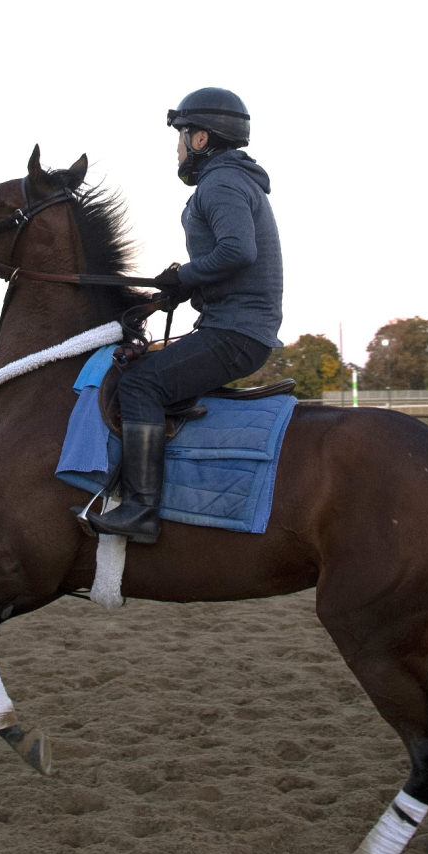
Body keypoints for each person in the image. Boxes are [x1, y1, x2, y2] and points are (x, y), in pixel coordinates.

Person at [86, 87, 283, 544]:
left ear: (201, 140)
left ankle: (141, 510)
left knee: (140, 383)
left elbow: (238, 251)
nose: (177, 146)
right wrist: (180, 287)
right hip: (232, 325)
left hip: (236, 331)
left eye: (182, 135)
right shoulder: (232, 179)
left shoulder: (223, 182)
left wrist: (185, 275)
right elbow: (230, 258)